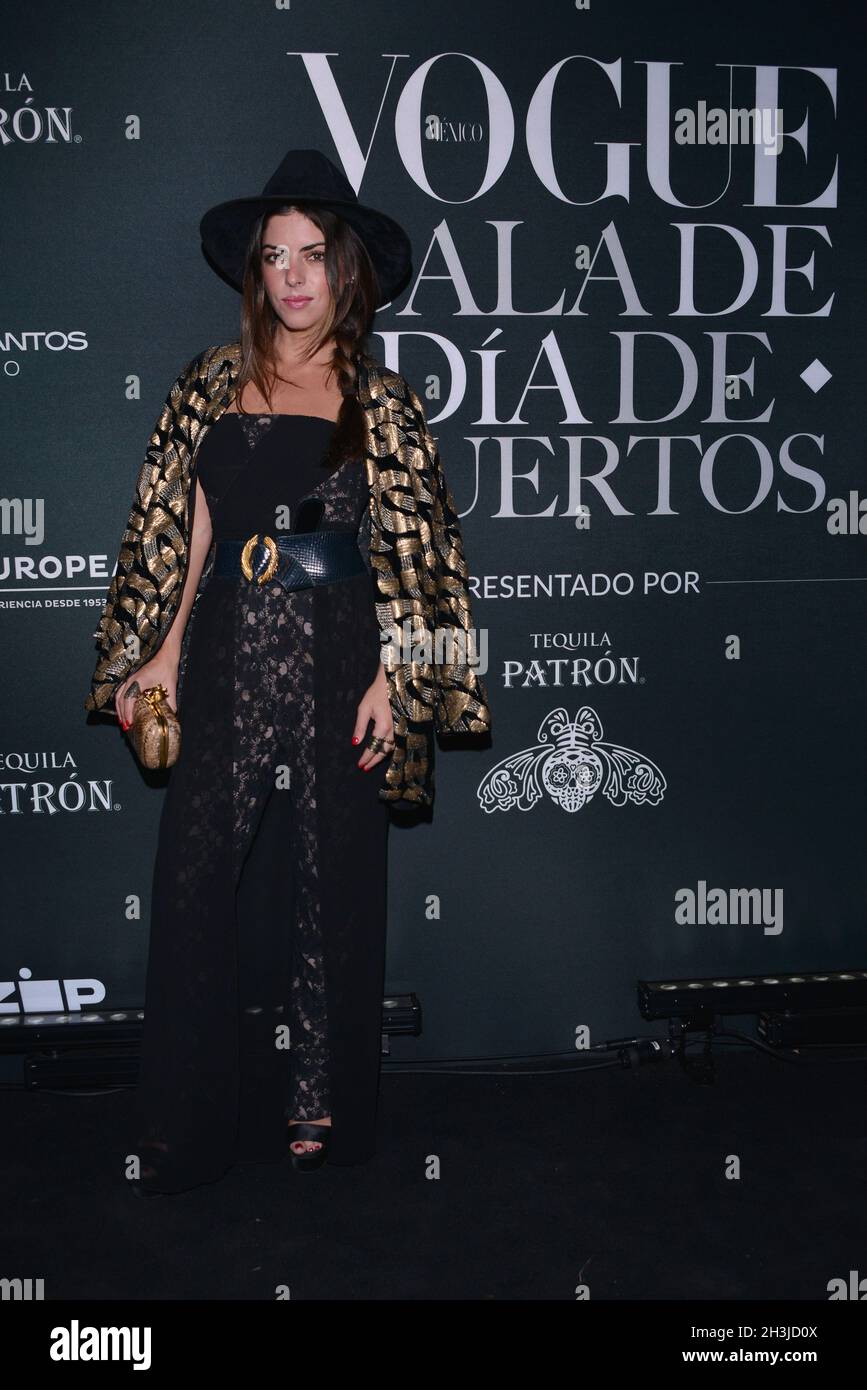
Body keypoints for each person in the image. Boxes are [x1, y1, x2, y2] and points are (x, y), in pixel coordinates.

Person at [83, 148, 491, 1196]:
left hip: (344, 645)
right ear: (254, 273)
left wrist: (395, 679)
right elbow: (187, 536)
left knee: (334, 882)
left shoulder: (382, 399)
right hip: (226, 642)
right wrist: (159, 657)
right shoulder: (209, 383)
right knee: (191, 881)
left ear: (344, 271)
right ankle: (184, 1116)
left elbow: (425, 554)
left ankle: (323, 1100)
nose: (295, 276)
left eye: (313, 255)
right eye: (276, 258)